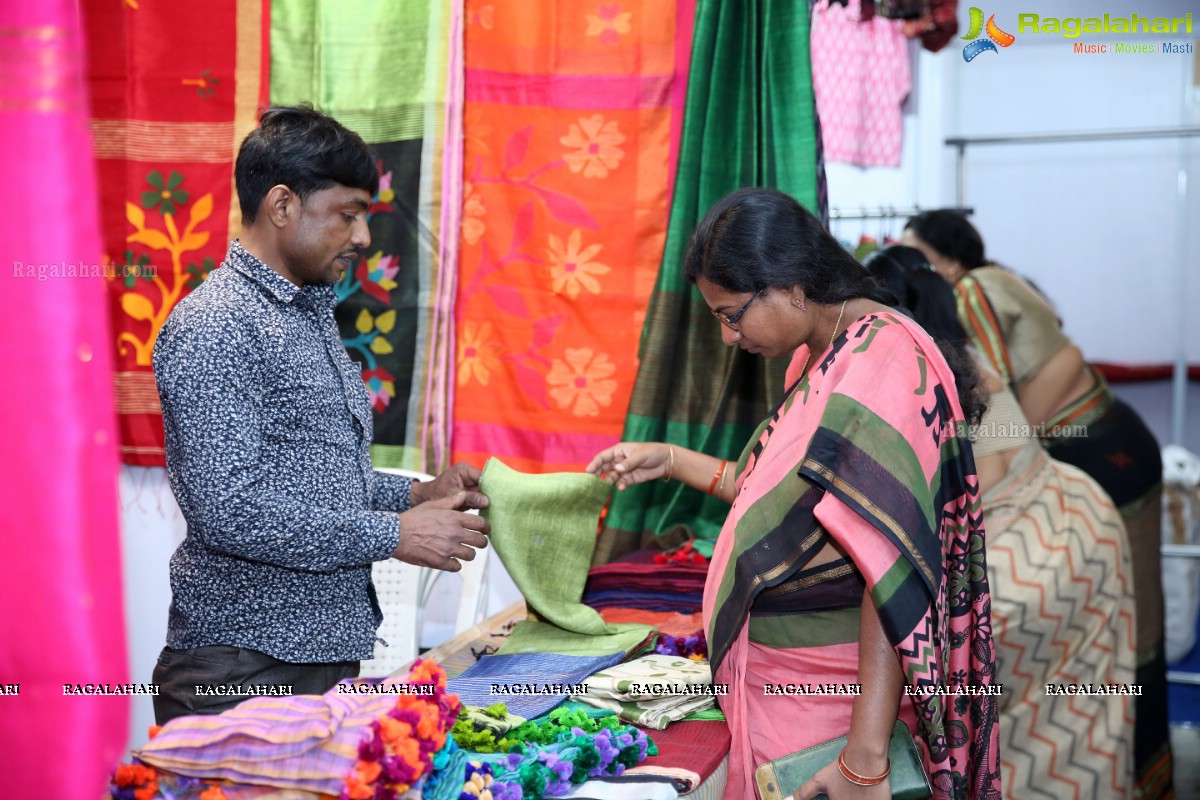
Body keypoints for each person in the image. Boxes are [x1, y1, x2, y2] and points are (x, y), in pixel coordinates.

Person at [588, 188, 1001, 800]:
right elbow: (768, 494)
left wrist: (863, 761)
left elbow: (888, 571)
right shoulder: (822, 356)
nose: (729, 337)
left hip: (834, 710)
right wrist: (669, 459)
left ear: (791, 286)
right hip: (785, 691)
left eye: (732, 314)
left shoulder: (883, 357)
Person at [151, 106, 491, 724]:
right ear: (283, 206)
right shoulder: (216, 325)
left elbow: (318, 482)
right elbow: (228, 510)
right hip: (242, 670)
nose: (362, 237)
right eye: (348, 214)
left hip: (311, 661)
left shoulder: (306, 312)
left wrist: (416, 495)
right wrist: (395, 535)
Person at [902, 211, 1171, 798]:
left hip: (1092, 449)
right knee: (1132, 628)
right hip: (1113, 441)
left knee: (1122, 632)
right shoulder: (998, 277)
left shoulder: (968, 298)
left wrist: (1016, 449)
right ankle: (1150, 771)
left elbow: (998, 401)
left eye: (915, 252)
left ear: (944, 260)